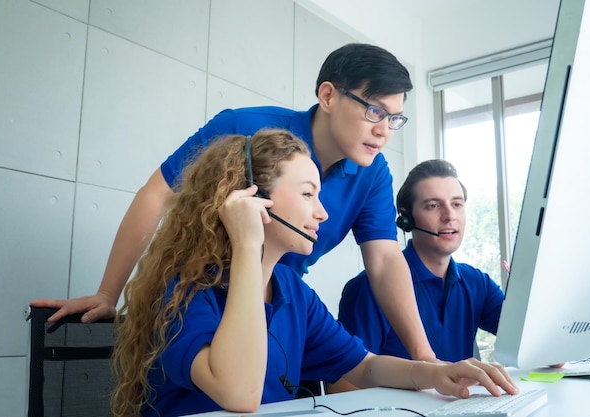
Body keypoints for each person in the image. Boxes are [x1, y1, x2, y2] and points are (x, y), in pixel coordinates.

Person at [31, 43, 439, 361]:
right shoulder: (243, 129)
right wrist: (108, 293)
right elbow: (157, 196)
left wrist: (425, 359)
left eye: (395, 119)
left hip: (278, 304)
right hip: (199, 302)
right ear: (328, 96)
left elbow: (385, 260)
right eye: (374, 111)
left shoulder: (373, 172)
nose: (385, 131)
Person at [109, 132, 518, 417]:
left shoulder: (291, 290)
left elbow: (365, 367)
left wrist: (438, 374)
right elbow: (239, 393)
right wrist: (249, 244)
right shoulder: (185, 290)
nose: (322, 212)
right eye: (308, 194)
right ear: (256, 199)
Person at [329, 159, 505, 392]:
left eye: (457, 204)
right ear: (406, 219)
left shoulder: (477, 283)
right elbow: (343, 387)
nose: (449, 216)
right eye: (433, 206)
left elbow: (530, 342)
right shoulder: (368, 288)